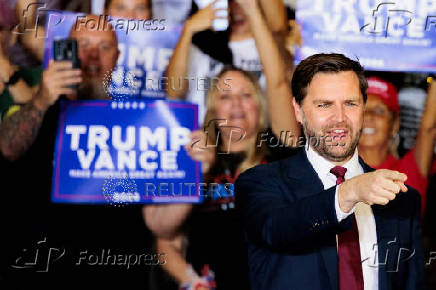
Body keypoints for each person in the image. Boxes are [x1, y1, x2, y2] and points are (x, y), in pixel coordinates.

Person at [143, 1, 300, 289]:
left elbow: (278, 81)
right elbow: (163, 234)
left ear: (261, 105)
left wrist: (252, 9)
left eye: (246, 95)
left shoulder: (280, 147)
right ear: (213, 109)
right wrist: (191, 281)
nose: (237, 105)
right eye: (226, 97)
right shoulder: (197, 157)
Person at [235, 53, 425, 290]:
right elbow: (277, 228)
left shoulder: (401, 200)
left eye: (350, 103)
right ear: (298, 110)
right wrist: (349, 192)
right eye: (324, 105)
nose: (340, 119)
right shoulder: (260, 183)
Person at [0, 16, 152, 289]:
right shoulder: (40, 107)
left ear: (117, 57)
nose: (92, 55)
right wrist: (42, 99)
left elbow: (158, 216)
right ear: (64, 51)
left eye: (104, 47)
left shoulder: (139, 121)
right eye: (82, 44)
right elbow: (8, 148)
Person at [165, 0, 289, 122]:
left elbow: (278, 27)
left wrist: (252, 9)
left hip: (255, 138)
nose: (235, 8)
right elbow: (173, 91)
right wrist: (188, 29)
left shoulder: (269, 46)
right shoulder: (198, 45)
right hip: (203, 137)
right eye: (228, 1)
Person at [358, 76, 436, 214]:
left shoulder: (409, 170)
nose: (369, 116)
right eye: (362, 110)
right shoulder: (334, 171)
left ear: (394, 125)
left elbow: (428, 129)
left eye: (380, 110)